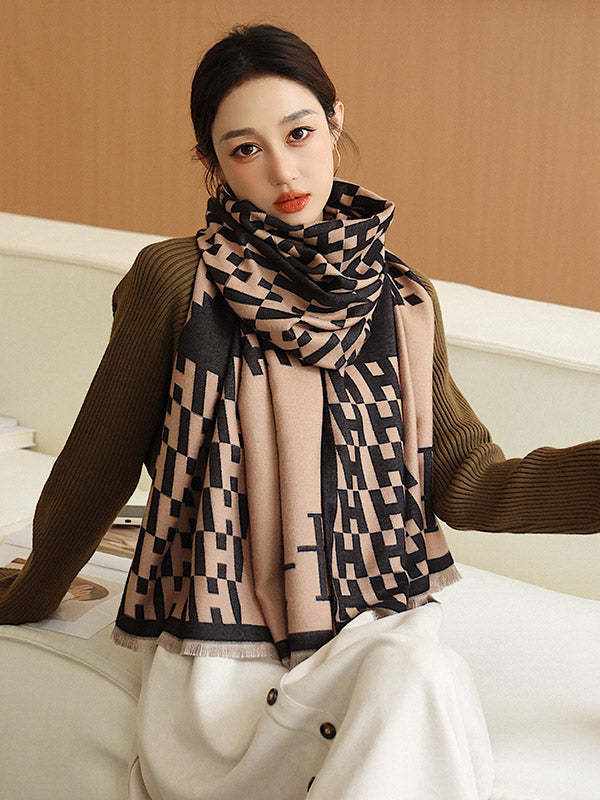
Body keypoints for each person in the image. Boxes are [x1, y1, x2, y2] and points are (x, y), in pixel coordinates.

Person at [1, 22, 598, 800]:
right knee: (420, 681)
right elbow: (97, 467)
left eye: (299, 133)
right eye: (245, 148)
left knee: (420, 672)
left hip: (375, 621)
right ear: (211, 163)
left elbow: (466, 481)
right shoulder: (175, 281)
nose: (283, 169)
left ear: (335, 122)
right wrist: (29, 596)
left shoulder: (400, 298)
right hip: (226, 649)